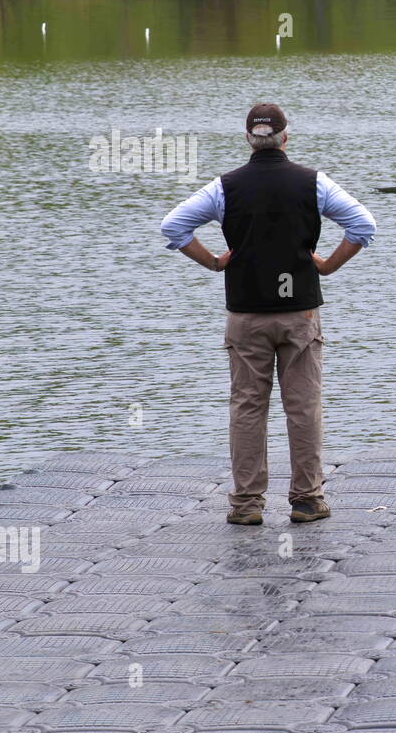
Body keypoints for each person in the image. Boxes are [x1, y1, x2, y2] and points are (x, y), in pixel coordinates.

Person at [160, 104, 376, 526]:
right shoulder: (314, 183)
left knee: (246, 407)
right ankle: (307, 500)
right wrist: (328, 265)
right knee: (303, 406)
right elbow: (363, 226)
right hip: (299, 312)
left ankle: (246, 504)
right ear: (285, 138)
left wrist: (213, 262)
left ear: (247, 139)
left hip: (246, 312)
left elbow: (173, 227)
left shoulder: (224, 188)